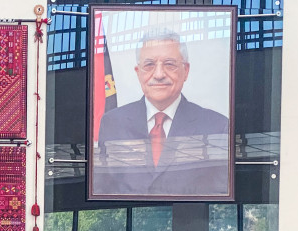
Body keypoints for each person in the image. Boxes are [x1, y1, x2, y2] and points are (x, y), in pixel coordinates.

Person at [95, 28, 229, 197]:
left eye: (169, 64)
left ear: (185, 71)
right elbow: (101, 190)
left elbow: (220, 195)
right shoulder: (113, 123)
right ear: (138, 72)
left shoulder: (217, 127)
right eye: (149, 65)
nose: (158, 74)